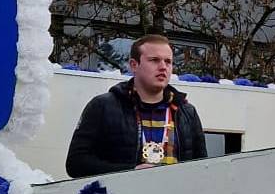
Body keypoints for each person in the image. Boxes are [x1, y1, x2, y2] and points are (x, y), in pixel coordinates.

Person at [66, 35, 207, 177]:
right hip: (122, 191)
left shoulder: (186, 112)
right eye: (154, 60)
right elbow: (76, 163)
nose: (163, 67)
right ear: (134, 65)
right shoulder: (103, 106)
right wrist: (130, 172)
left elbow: (203, 169)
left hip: (175, 191)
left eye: (168, 61)